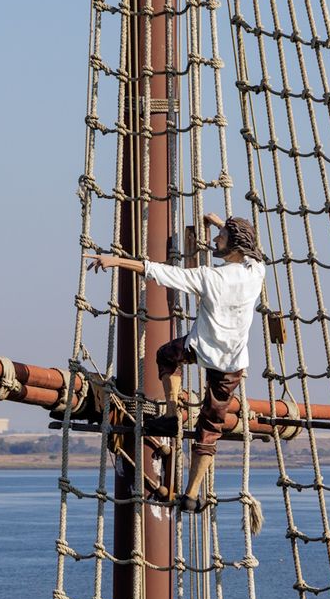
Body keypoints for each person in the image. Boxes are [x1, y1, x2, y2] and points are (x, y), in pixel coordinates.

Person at [87, 213, 265, 509]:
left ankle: (172, 413)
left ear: (234, 247)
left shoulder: (211, 278)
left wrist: (115, 261)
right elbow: (249, 246)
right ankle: (192, 495)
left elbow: (156, 271)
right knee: (210, 429)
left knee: (166, 356)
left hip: (203, 349)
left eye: (220, 238)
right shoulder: (256, 270)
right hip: (233, 362)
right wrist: (219, 222)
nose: (213, 241)